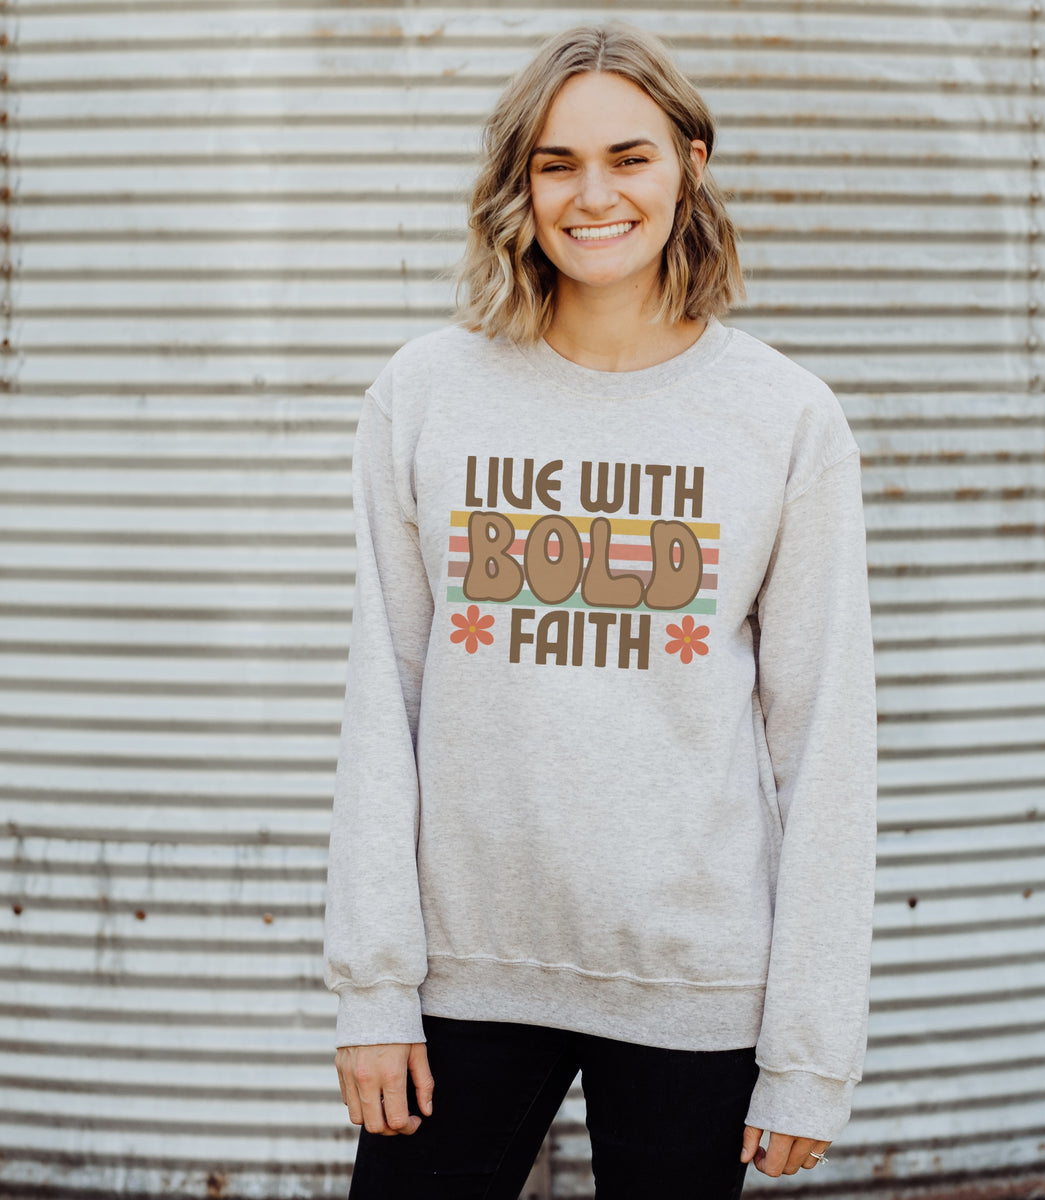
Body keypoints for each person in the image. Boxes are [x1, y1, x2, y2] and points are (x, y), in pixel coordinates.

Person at [323, 19, 877, 1199]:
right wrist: (373, 987)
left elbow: (825, 744)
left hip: (695, 984)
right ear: (518, 184)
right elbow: (387, 704)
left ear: (690, 164)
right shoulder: (425, 397)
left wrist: (810, 1056)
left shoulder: (782, 418)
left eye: (630, 157)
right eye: (557, 163)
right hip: (464, 978)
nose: (594, 195)